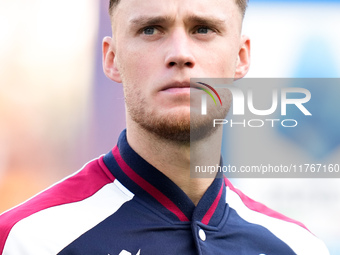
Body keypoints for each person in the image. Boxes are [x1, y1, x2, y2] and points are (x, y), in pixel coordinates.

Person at [0, 0, 330, 254]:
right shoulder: (25, 240)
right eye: (151, 29)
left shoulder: (300, 247)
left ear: (241, 57)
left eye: (203, 29)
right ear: (112, 58)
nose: (180, 54)